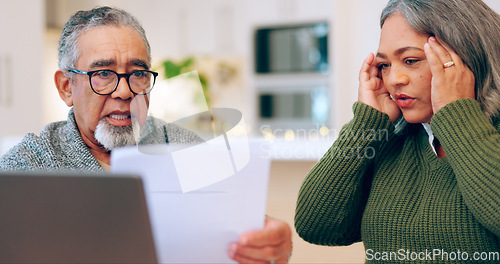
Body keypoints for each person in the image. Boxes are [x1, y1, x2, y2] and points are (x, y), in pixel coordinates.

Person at [0, 6, 292, 263]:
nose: (125, 91)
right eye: (103, 73)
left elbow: (246, 232)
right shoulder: (27, 166)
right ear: (66, 87)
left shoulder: (185, 147)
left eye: (137, 74)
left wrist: (276, 246)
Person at [295, 0, 499, 262]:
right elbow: (316, 226)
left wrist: (456, 111)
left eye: (411, 60)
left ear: (468, 56)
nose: (393, 80)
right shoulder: (393, 140)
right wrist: (366, 123)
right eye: (384, 65)